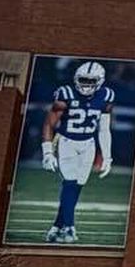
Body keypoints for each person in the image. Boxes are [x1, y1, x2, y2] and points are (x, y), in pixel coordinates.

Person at [41, 61, 114, 244]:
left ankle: (55, 228)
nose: (86, 85)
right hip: (66, 142)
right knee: (69, 183)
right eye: (83, 80)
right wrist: (48, 151)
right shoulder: (65, 94)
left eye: (91, 81)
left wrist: (107, 156)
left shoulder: (106, 96)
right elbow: (49, 123)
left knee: (76, 187)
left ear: (100, 81)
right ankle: (69, 228)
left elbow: (104, 129)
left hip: (88, 143)